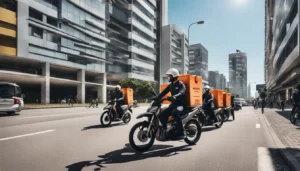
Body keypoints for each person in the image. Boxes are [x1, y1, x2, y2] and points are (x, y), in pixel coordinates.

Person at [157, 68, 186, 139]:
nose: (168, 77)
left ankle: (181, 132)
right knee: (161, 115)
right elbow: (163, 92)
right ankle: (166, 131)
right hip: (173, 105)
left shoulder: (180, 84)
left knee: (174, 112)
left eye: (169, 76)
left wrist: (175, 96)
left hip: (180, 105)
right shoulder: (170, 85)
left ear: (174, 76)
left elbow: (182, 91)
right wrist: (157, 97)